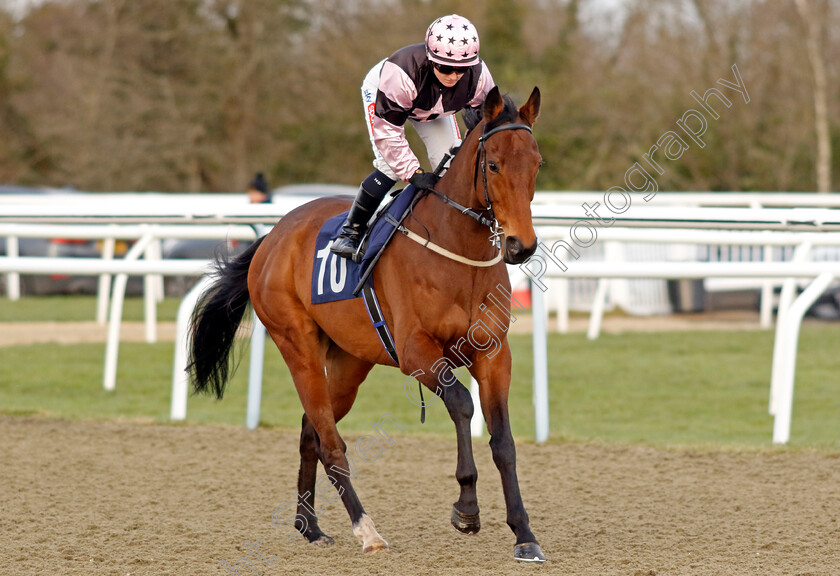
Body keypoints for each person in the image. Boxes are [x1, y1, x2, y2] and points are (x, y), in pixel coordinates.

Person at [330, 13, 495, 260]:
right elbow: (388, 135)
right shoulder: (401, 74)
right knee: (391, 167)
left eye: (461, 70)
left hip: (434, 106)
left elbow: (491, 120)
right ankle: (349, 233)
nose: (453, 76)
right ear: (430, 60)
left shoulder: (479, 76)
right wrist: (414, 174)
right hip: (387, 93)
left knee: (452, 167)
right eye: (445, 67)